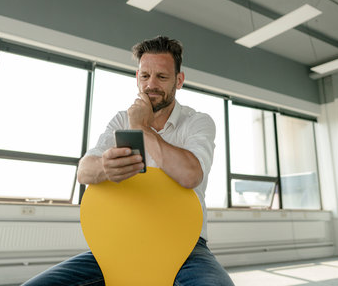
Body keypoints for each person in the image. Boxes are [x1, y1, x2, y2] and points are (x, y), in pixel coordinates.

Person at [22, 36, 234, 286]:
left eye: (161, 77)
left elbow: (190, 175)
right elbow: (83, 172)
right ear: (137, 77)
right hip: (122, 241)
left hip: (185, 242)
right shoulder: (120, 120)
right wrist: (105, 167)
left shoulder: (198, 122)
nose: (151, 85)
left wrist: (142, 128)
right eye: (145, 76)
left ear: (179, 80)